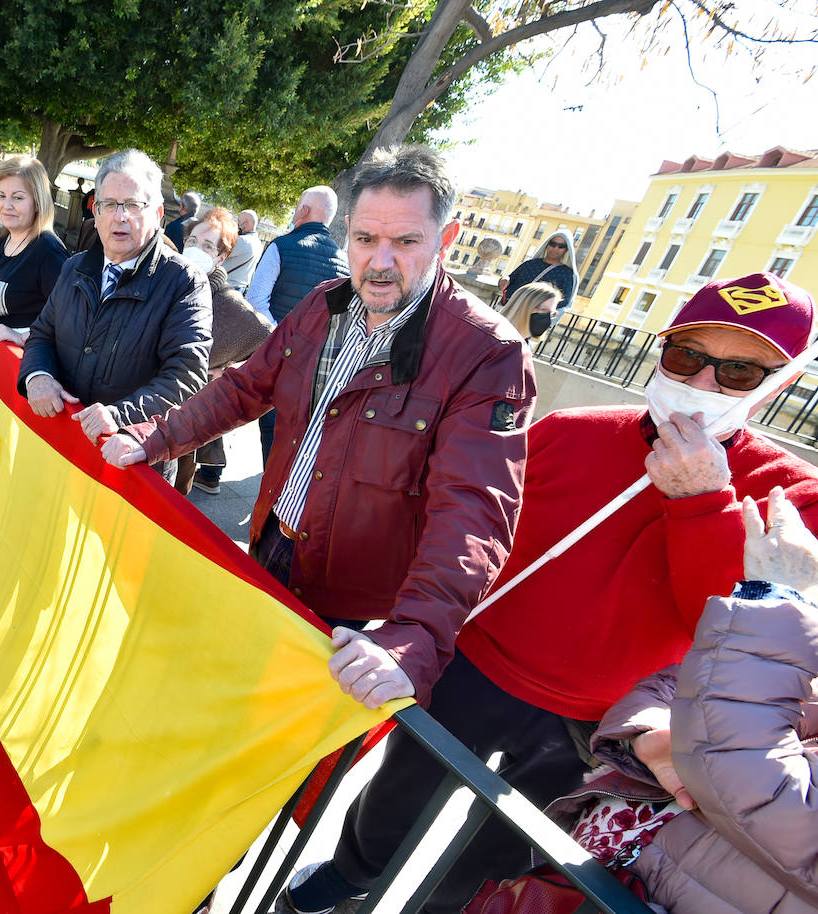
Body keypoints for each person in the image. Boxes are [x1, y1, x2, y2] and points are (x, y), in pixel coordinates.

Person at [281, 271, 818, 914]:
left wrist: (701, 502)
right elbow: (469, 528)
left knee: (508, 845)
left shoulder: (795, 496)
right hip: (477, 663)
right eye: (688, 357)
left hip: (605, 717)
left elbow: (731, 627)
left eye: (739, 373)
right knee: (398, 790)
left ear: (779, 385)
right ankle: (351, 872)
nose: (703, 384)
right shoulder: (573, 428)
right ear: (662, 351)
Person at [102, 146, 534, 748]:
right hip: (269, 546)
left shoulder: (486, 352)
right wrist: (151, 438)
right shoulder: (321, 306)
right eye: (364, 239)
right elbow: (244, 389)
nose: (379, 262)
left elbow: (474, 512)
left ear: (448, 237)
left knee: (274, 747)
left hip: (349, 615)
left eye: (406, 242)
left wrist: (414, 636)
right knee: (215, 707)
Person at [564, 486, 818, 914]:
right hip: (595, 874)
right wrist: (648, 735)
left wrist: (777, 599)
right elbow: (679, 684)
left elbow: (757, 786)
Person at [20, 148, 212, 485]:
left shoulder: (184, 282)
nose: (119, 216)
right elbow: (42, 334)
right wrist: (36, 375)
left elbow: (186, 375)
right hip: (59, 447)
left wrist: (119, 414)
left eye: (133, 205)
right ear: (95, 211)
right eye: (109, 204)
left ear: (156, 213)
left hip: (127, 464)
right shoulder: (74, 267)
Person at [244, 185, 350, 462]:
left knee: (272, 429)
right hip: (316, 363)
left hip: (279, 356)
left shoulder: (281, 246)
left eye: (297, 206)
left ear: (303, 211)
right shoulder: (344, 262)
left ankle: (274, 496)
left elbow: (256, 300)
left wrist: (284, 339)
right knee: (294, 432)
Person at [174, 206, 273, 496]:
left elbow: (272, 347)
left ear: (221, 257)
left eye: (207, 245)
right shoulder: (166, 281)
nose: (195, 249)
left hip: (184, 425)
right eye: (192, 241)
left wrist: (228, 374)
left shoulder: (229, 305)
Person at [0, 154, 69, 347]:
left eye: (18, 197)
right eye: (1, 196)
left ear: (38, 203)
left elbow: (66, 319)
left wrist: (20, 338)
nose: (6, 206)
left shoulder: (49, 252)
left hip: (24, 368)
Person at [499, 230, 577, 318]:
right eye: (553, 244)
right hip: (508, 311)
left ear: (566, 249)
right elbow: (509, 279)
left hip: (530, 320)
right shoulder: (529, 264)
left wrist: (538, 307)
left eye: (561, 246)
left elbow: (565, 301)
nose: (555, 248)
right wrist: (504, 279)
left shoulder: (567, 274)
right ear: (547, 245)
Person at [221, 208, 262, 291]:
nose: (237, 224)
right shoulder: (259, 243)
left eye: (239, 221)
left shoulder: (243, 240)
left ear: (246, 223)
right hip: (240, 287)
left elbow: (219, 253)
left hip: (227, 285)